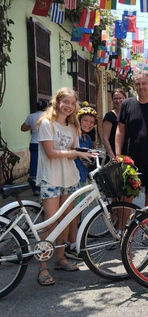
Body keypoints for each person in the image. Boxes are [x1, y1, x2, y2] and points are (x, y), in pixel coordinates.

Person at [35, 87, 95, 286]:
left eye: (72, 103)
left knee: (65, 221)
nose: (69, 106)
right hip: (51, 178)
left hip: (70, 178)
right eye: (65, 102)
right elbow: (51, 153)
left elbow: (72, 149)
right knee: (50, 223)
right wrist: (76, 154)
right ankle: (42, 267)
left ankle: (60, 258)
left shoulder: (72, 127)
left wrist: (87, 153)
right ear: (57, 102)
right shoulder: (46, 124)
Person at [115, 70, 148, 207]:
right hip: (131, 160)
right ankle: (122, 228)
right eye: (138, 84)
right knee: (126, 197)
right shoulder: (127, 104)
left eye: (144, 83)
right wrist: (118, 156)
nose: (141, 87)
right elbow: (120, 130)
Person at [66, 106, 98, 261]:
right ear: (78, 121)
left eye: (91, 122)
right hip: (73, 179)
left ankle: (72, 240)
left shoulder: (88, 138)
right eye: (85, 120)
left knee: (77, 213)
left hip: (82, 177)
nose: (88, 124)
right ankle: (72, 245)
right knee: (74, 213)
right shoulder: (75, 135)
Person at [21, 99, 48, 196]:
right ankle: (44, 186)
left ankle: (35, 188)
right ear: (46, 107)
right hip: (45, 143)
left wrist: (32, 127)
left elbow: (23, 128)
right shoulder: (48, 116)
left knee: (34, 165)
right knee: (45, 165)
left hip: (34, 143)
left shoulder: (31, 117)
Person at [102, 88, 127, 159]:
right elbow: (105, 138)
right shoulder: (109, 116)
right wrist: (112, 156)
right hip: (113, 155)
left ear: (125, 98)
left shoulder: (129, 115)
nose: (118, 101)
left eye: (120, 98)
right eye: (115, 98)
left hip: (127, 154)